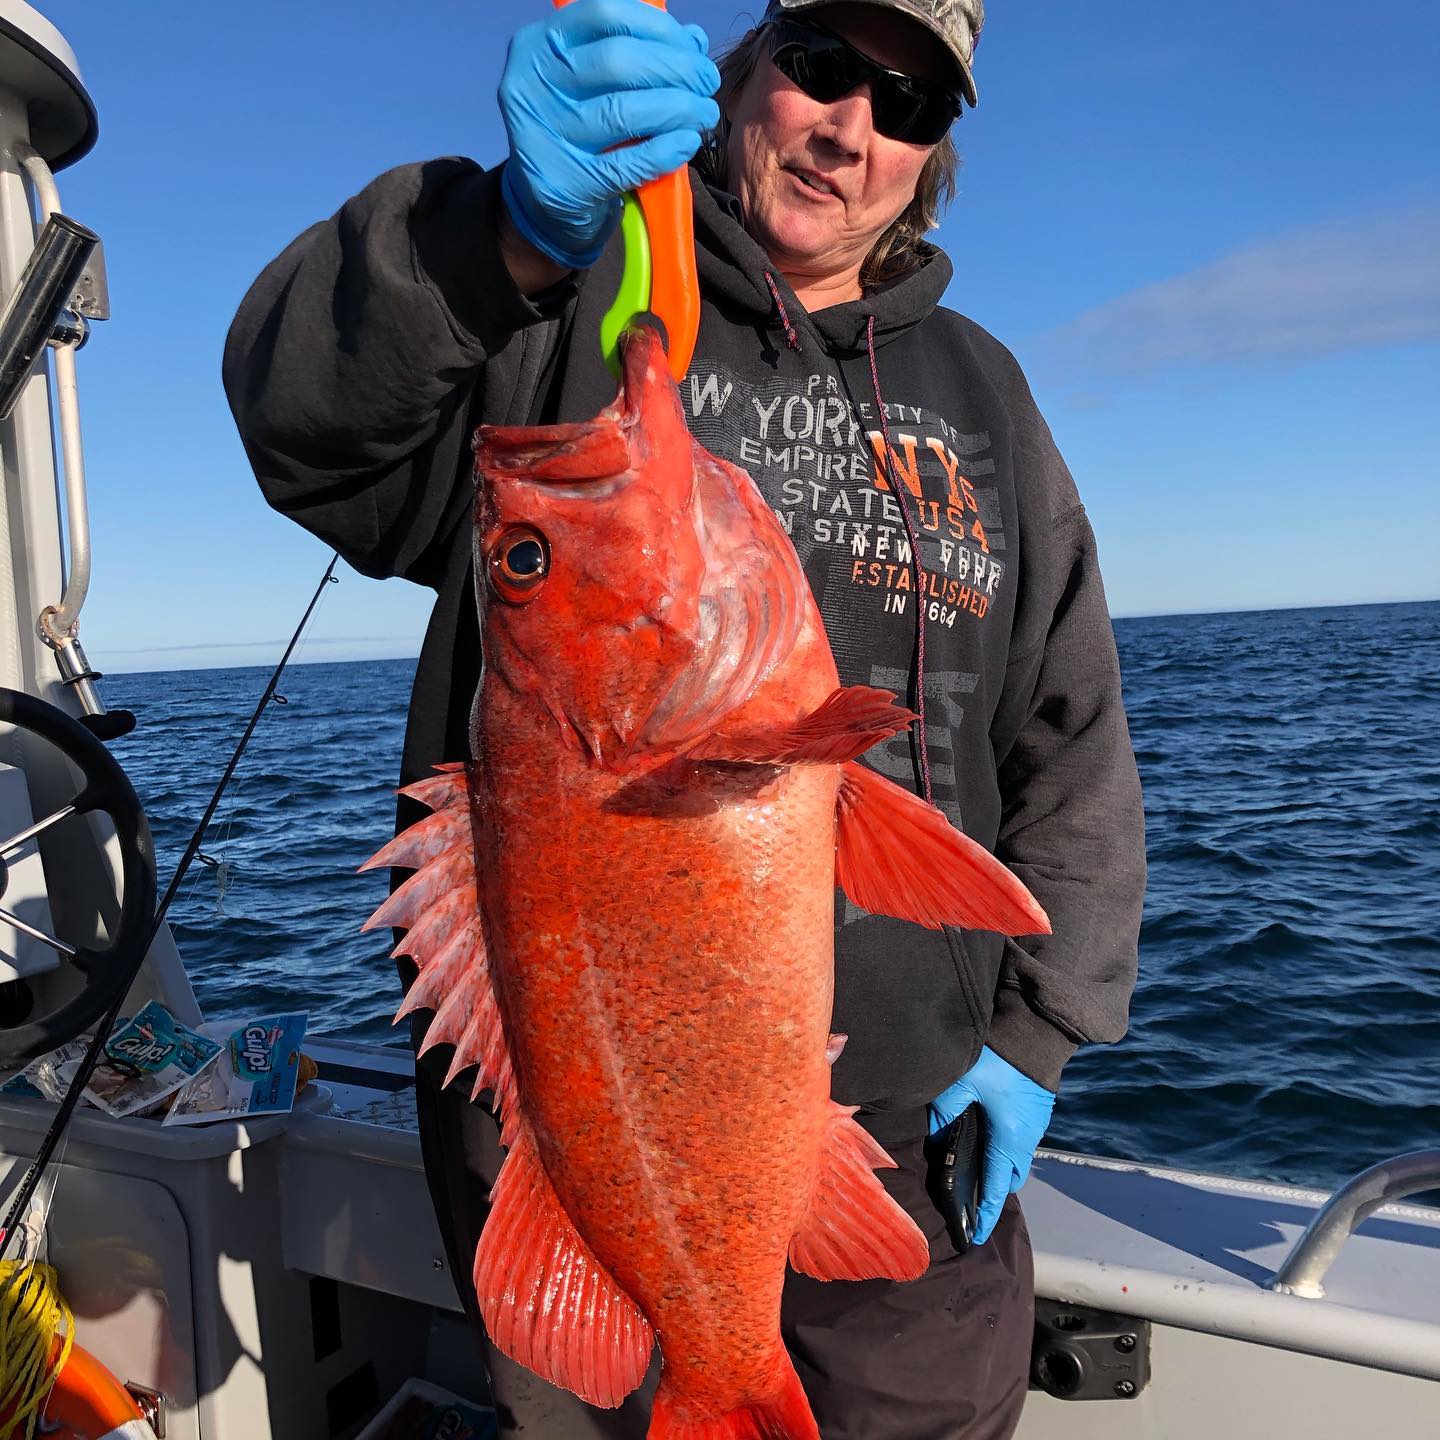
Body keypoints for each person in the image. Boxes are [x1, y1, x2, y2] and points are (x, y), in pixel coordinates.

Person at [223, 1, 1145, 1434]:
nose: (852, 126)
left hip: (912, 1138)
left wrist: (1039, 1036)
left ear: (935, 159)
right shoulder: (554, 320)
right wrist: (498, 237)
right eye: (823, 67)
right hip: (584, 1138)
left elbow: (1071, 737)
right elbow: (303, 425)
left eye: (912, 105)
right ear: (745, 77)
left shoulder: (989, 397)